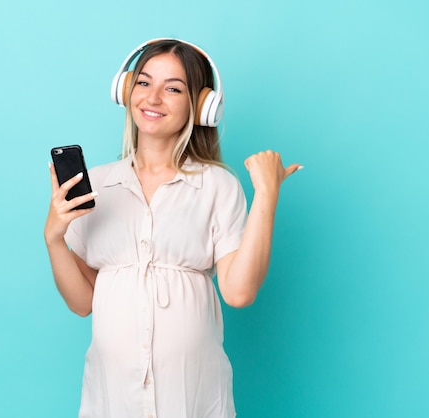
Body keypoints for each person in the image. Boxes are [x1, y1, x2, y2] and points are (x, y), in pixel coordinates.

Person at [44, 38, 302, 418]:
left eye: (173, 88)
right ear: (126, 89)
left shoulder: (217, 185)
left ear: (201, 105)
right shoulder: (96, 184)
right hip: (112, 399)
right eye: (145, 83)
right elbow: (82, 302)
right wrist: (53, 238)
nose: (153, 98)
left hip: (194, 398)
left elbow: (239, 291)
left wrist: (266, 194)